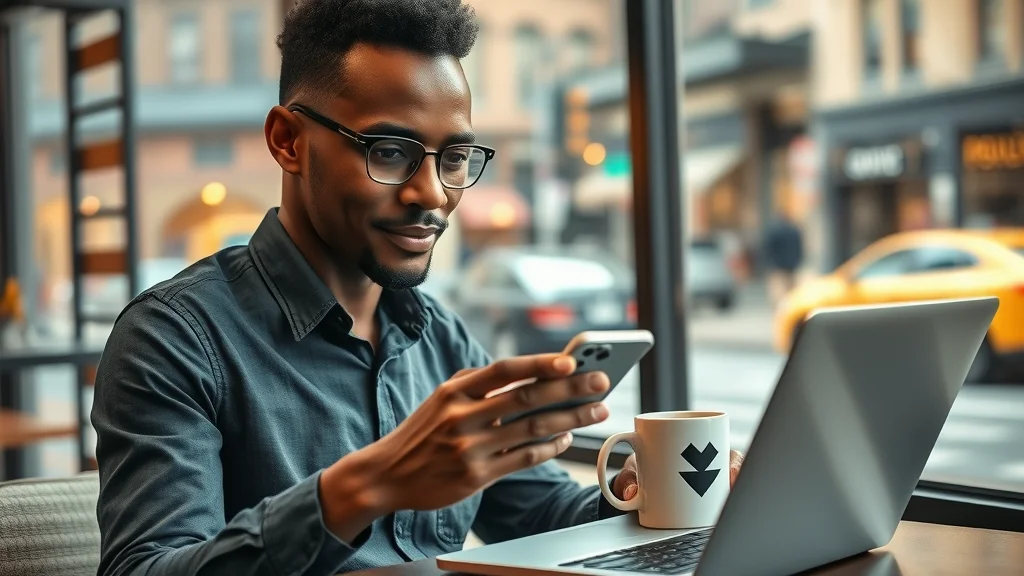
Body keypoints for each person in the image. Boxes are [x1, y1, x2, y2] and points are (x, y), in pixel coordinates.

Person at [92, 2, 743, 575]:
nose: (432, 194)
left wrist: (645, 492)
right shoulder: (175, 339)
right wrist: (370, 484)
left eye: (454, 158)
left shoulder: (441, 337)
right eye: (390, 151)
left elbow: (538, 508)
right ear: (288, 141)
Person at [763, 211, 804, 306]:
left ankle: (781, 309)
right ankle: (790, 308)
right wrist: (797, 260)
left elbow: (768, 248)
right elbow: (799, 248)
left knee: (779, 292)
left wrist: (770, 262)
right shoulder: (794, 231)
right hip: (792, 264)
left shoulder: (775, 231)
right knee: (791, 292)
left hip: (778, 265)